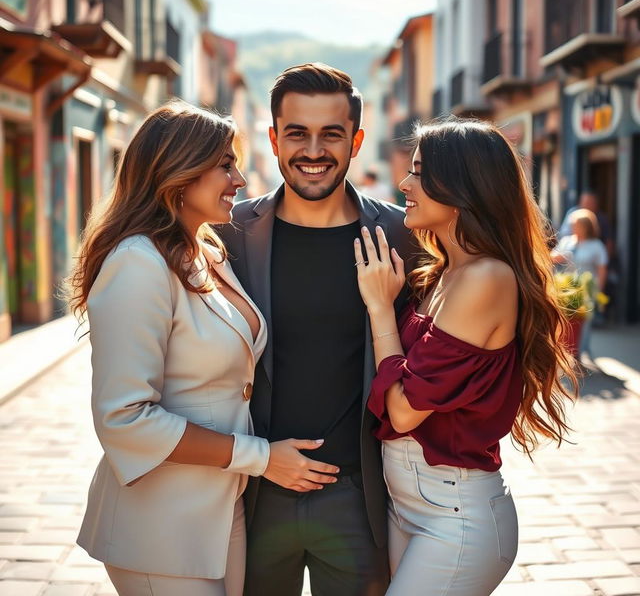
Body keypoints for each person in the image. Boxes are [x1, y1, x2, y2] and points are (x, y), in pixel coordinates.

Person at [69, 100, 339, 596]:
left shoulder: (204, 249)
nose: (238, 179)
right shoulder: (138, 263)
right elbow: (124, 417)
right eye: (224, 165)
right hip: (160, 524)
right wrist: (261, 457)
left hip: (222, 511)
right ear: (177, 171)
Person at [354, 118, 578, 595]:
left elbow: (403, 410)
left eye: (419, 172)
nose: (404, 184)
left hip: (456, 518)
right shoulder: (442, 273)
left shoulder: (486, 278)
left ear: (460, 185)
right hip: (410, 505)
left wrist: (379, 308)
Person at [220, 63, 417, 596]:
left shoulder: (401, 234)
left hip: (359, 500)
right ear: (273, 138)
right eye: (297, 133)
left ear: (355, 140)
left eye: (331, 134)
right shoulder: (229, 233)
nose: (313, 150)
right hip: (253, 496)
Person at [553, 208, 608, 358]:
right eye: (572, 224)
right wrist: (560, 257)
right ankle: (568, 351)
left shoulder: (596, 245)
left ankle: (580, 352)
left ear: (586, 226)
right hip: (567, 289)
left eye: (576, 225)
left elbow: (602, 268)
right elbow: (552, 257)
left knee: (585, 324)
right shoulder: (567, 242)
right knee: (567, 322)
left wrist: (599, 291)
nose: (573, 228)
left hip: (587, 289)